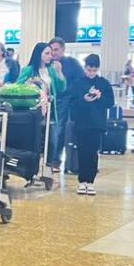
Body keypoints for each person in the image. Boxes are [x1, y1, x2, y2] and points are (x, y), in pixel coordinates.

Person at [69, 54, 115, 195]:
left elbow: (110, 103)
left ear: (98, 69)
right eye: (89, 70)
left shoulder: (104, 83)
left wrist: (100, 97)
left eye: (94, 70)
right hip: (82, 123)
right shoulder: (78, 83)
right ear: (85, 68)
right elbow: (72, 103)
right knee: (82, 152)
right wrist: (83, 100)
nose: (91, 73)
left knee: (93, 153)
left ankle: (91, 181)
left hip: (97, 124)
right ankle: (82, 181)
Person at [48, 37, 85, 168]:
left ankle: (65, 161)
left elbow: (81, 80)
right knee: (55, 130)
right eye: (51, 50)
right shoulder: (47, 64)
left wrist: (71, 92)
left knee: (66, 131)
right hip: (53, 101)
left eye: (56, 50)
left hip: (70, 101)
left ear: (63, 49)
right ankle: (53, 159)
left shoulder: (72, 63)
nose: (53, 52)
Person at [17, 42, 67, 130]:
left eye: (50, 54)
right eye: (47, 53)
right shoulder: (29, 69)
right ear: (39, 54)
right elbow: (18, 86)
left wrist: (59, 72)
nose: (50, 56)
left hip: (50, 108)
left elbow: (61, 88)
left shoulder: (51, 69)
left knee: (52, 139)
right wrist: (30, 82)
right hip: (34, 109)